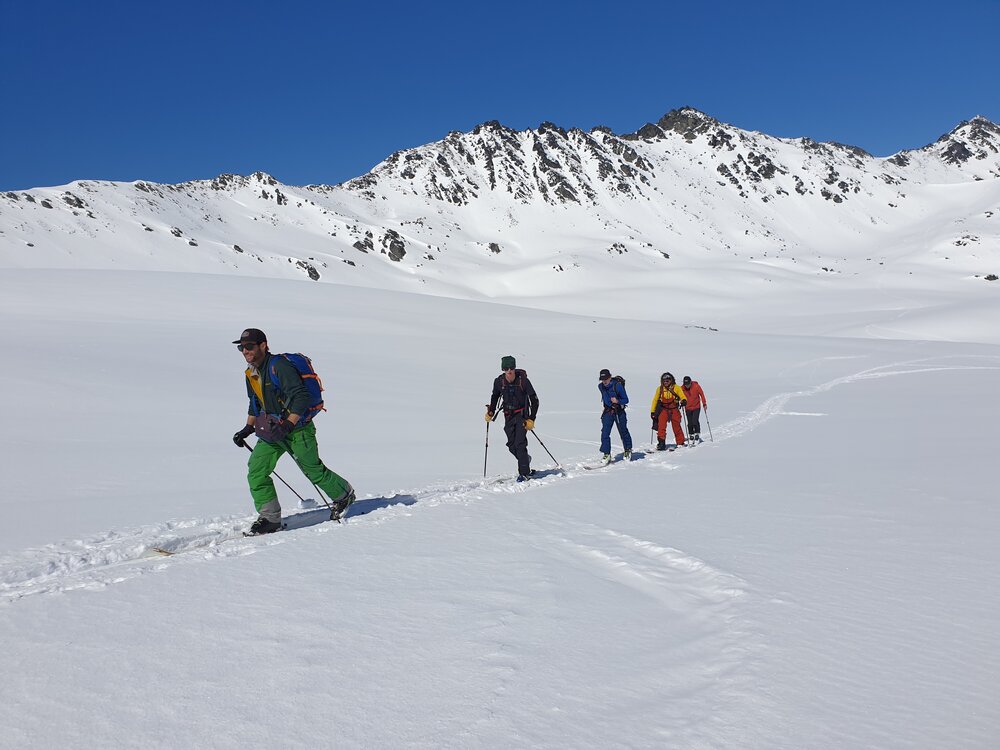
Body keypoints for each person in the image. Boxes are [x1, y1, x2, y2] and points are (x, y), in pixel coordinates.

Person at [231, 328, 354, 535]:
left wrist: (288, 424)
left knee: (313, 470)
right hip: (271, 430)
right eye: (241, 347)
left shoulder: (279, 366)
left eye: (249, 346)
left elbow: (301, 397)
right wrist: (248, 428)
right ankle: (270, 519)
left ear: (263, 345)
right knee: (256, 470)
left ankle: (344, 495)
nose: (245, 351)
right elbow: (255, 402)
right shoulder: (251, 372)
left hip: (298, 429)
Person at [486, 355, 539, 481]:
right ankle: (525, 459)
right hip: (508, 415)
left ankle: (524, 473)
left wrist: (531, 419)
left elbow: (535, 400)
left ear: (514, 368)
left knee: (520, 444)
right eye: (506, 368)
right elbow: (495, 396)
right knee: (511, 445)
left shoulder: (524, 381)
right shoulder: (499, 381)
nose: (509, 370)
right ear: (503, 369)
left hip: (522, 415)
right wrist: (491, 411)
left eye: (511, 367)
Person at [598, 368, 633, 461]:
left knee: (623, 431)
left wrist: (617, 401)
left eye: (606, 379)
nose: (604, 381)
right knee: (605, 433)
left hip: (619, 412)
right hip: (608, 412)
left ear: (610, 377)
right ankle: (606, 453)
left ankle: (628, 449)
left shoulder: (617, 386)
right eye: (602, 379)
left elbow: (626, 400)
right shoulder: (600, 386)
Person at [650, 372, 686, 450]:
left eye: (667, 380)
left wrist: (683, 400)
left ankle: (680, 442)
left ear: (671, 380)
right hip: (664, 409)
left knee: (676, 426)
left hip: (674, 410)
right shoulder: (660, 389)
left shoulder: (676, 387)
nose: (666, 382)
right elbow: (655, 400)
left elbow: (682, 395)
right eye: (664, 381)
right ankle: (661, 443)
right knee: (661, 426)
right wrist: (652, 411)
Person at [682, 375, 708, 444]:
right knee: (689, 422)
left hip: (696, 407)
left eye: (688, 384)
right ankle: (691, 434)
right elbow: (679, 395)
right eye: (685, 384)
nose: (687, 386)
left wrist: (704, 403)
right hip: (688, 407)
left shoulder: (696, 386)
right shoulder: (682, 388)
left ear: (690, 382)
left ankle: (697, 433)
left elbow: (702, 394)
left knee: (695, 420)